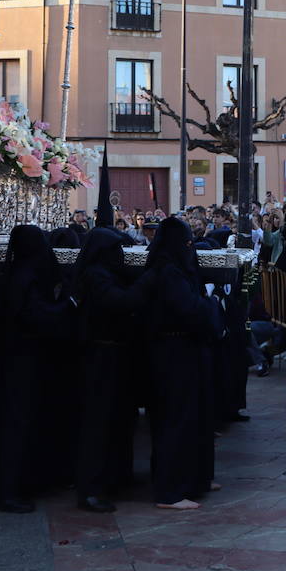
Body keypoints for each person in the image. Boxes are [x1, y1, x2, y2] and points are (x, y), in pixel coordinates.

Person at [141, 217, 220, 505]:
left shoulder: (175, 269)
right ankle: (170, 490)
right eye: (186, 243)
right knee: (174, 419)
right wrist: (209, 302)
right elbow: (187, 308)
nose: (190, 248)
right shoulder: (167, 272)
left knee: (190, 418)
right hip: (172, 354)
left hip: (184, 351)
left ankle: (192, 479)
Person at [0, 225, 69, 513]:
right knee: (18, 424)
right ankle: (10, 489)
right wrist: (67, 305)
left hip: (24, 357)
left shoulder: (20, 273)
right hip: (22, 358)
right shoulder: (25, 277)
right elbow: (33, 315)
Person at [74, 227, 143, 513]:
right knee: (98, 424)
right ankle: (92, 487)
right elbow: (118, 302)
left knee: (118, 420)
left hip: (116, 353)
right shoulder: (95, 275)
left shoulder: (108, 273)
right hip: (100, 356)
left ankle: (114, 477)